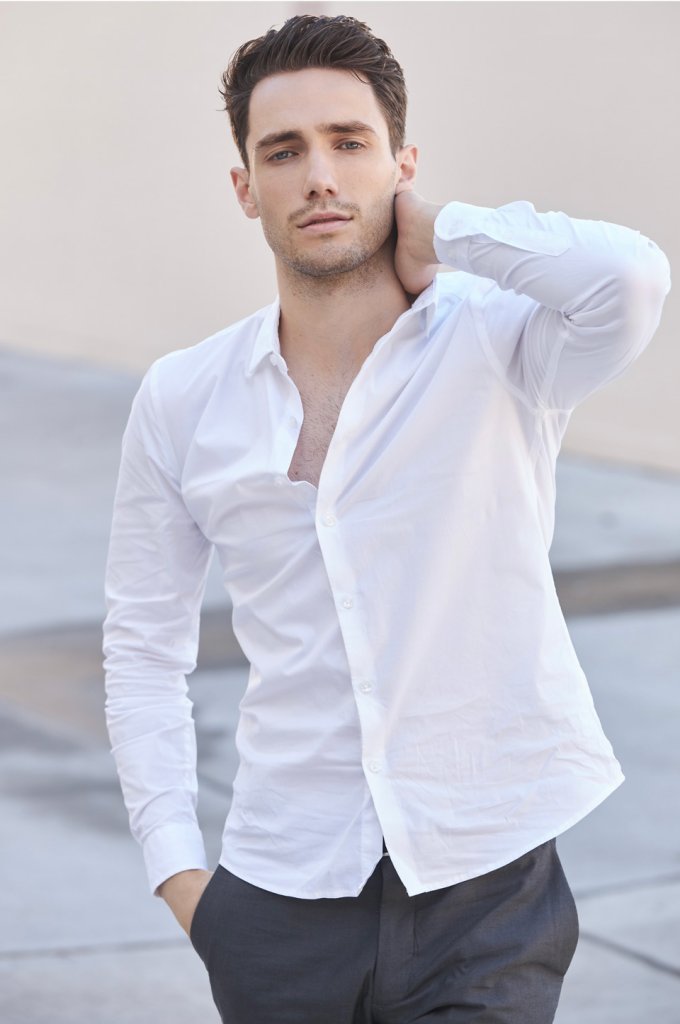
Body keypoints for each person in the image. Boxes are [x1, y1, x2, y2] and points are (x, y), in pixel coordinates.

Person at [103, 14, 670, 1024]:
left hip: (483, 890)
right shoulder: (184, 397)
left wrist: (442, 231)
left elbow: (628, 280)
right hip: (278, 891)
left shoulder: (499, 344)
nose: (319, 177)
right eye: (284, 151)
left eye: (349, 142)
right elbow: (144, 646)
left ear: (401, 165)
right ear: (245, 187)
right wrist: (181, 877)